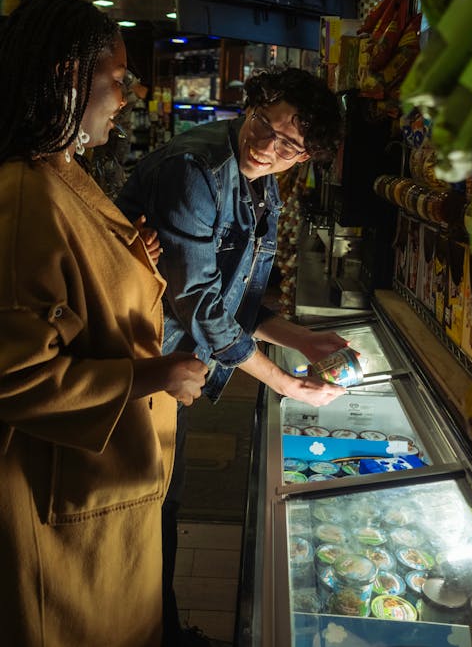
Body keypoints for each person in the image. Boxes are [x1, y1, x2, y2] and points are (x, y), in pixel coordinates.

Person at [116, 66, 352, 646]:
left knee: (163, 501)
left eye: (289, 144)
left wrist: (298, 338)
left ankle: (163, 628)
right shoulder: (194, 169)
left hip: (176, 369)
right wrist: (285, 383)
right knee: (141, 506)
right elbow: (195, 302)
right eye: (264, 121)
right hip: (138, 364)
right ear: (254, 104)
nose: (268, 144)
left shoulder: (261, 181)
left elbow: (230, 295)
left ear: (305, 158)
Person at [0, 0, 208, 647]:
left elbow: (76, 279)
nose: (126, 97)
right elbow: (16, 379)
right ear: (67, 76)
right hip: (59, 508)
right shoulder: (25, 194)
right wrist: (154, 376)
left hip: (108, 484)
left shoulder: (65, 173)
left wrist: (131, 256)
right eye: (116, 79)